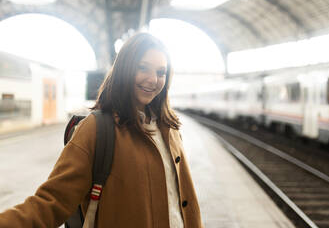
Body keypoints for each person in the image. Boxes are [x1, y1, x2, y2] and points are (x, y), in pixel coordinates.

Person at [0, 33, 204, 228]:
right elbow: (53, 201)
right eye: (143, 68)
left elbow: (187, 203)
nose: (153, 79)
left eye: (161, 72)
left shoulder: (170, 129)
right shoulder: (97, 128)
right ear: (124, 69)